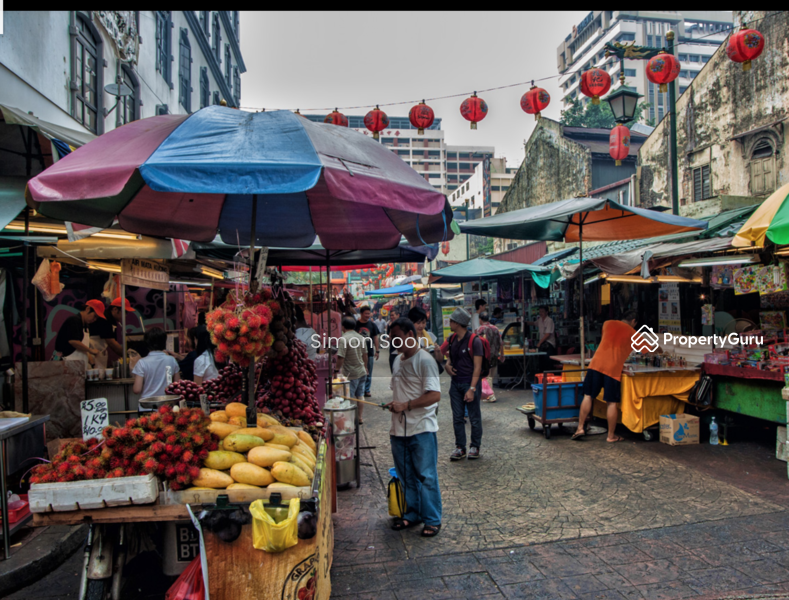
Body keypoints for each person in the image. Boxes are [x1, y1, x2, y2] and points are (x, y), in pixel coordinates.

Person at [385, 317, 442, 538]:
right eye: (391, 339)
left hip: (422, 428)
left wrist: (406, 405)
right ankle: (412, 513)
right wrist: (395, 404)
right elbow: (401, 391)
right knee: (406, 474)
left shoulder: (425, 360)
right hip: (399, 429)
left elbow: (434, 395)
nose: (394, 343)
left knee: (426, 476)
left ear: (410, 335)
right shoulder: (398, 360)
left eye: (397, 338)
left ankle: (432, 519)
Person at [572, 310, 660, 443]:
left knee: (588, 395)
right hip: (613, 369)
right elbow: (649, 350)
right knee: (611, 402)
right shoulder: (633, 333)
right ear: (634, 322)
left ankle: (580, 428)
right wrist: (660, 349)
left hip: (596, 364)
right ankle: (611, 436)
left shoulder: (607, 324)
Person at [440, 308, 484, 461]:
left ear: (458, 323)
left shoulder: (475, 341)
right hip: (455, 384)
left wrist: (472, 388)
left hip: (469, 383)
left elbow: (477, 367)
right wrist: (447, 366)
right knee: (457, 417)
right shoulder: (452, 339)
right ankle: (460, 447)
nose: (449, 323)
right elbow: (449, 357)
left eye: (451, 321)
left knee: (474, 416)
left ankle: (475, 445)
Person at [132, 327, 181, 405]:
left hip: (147, 406)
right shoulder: (171, 360)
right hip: (167, 405)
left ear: (147, 343)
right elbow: (178, 385)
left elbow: (137, 389)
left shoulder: (142, 363)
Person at [335, 317, 369, 422]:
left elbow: (341, 357)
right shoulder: (360, 337)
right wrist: (366, 367)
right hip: (361, 371)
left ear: (343, 327)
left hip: (351, 373)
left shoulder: (344, 338)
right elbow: (365, 354)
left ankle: (348, 419)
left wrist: (336, 369)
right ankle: (359, 417)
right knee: (360, 395)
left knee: (348, 397)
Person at [54, 300, 106, 366]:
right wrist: (91, 350)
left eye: (97, 318)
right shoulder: (74, 320)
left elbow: (83, 347)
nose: (95, 319)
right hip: (65, 362)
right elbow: (74, 341)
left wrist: (92, 362)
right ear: (88, 309)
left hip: (77, 365)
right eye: (95, 316)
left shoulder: (85, 326)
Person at [88, 297, 134, 370]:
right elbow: (111, 342)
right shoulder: (105, 319)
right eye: (124, 312)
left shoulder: (113, 321)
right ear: (115, 309)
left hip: (100, 352)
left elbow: (113, 341)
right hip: (92, 352)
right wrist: (127, 356)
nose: (125, 315)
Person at [476, 311, 505, 402]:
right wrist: (502, 354)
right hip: (495, 355)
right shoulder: (495, 328)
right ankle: (488, 393)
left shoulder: (480, 329)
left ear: (480, 319)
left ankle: (490, 395)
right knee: (491, 375)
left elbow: (477, 344)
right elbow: (501, 343)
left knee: (486, 376)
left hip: (485, 356)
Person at [355, 306, 380, 398]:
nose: (367, 315)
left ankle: (366, 390)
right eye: (365, 313)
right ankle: (358, 389)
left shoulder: (372, 325)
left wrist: (377, 351)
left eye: (368, 313)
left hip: (369, 352)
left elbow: (376, 338)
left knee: (368, 371)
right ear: (361, 314)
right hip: (357, 352)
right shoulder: (355, 325)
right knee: (357, 370)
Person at [527, 306, 557, 373]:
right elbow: (534, 323)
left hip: (549, 344)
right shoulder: (540, 320)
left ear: (546, 312)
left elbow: (547, 334)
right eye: (540, 311)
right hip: (542, 344)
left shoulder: (549, 320)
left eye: (542, 311)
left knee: (548, 363)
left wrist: (539, 343)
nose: (541, 313)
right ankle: (542, 378)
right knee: (541, 362)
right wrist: (525, 322)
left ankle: (548, 379)